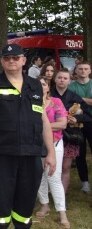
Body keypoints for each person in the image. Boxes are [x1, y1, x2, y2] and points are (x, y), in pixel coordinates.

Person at [0, 44, 56, 229]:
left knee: (25, 205)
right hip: (2, 154)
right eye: (7, 58)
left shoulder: (36, 85)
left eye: (15, 57)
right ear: (2, 62)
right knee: (1, 205)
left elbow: (44, 121)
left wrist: (50, 152)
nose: (11, 61)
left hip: (31, 154)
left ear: (23, 60)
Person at [34, 76, 69, 228]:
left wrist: (42, 126)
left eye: (43, 84)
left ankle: (62, 212)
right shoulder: (30, 103)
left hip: (54, 144)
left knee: (53, 176)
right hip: (35, 146)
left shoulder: (56, 102)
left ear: (48, 87)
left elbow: (62, 124)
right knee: (39, 176)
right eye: (37, 84)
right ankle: (44, 204)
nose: (40, 87)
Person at [51, 69, 92, 194]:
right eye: (60, 78)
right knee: (51, 166)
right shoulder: (48, 94)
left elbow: (89, 114)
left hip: (70, 135)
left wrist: (77, 118)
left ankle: (62, 196)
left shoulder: (74, 97)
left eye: (65, 78)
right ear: (55, 79)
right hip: (52, 135)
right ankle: (49, 192)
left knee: (66, 166)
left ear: (70, 81)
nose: (62, 80)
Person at [68, 61, 92, 193]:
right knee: (80, 153)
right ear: (76, 71)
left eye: (86, 69)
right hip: (78, 123)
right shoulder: (71, 87)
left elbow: (77, 102)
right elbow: (70, 105)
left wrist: (80, 100)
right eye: (80, 69)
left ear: (90, 71)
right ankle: (85, 183)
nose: (83, 71)